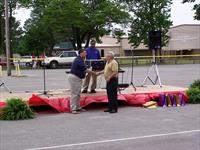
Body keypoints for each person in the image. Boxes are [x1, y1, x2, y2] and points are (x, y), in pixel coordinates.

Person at [68, 49, 96, 114]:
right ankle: (73, 109)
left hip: (77, 78)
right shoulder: (78, 60)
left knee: (78, 93)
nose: (86, 54)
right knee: (74, 94)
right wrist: (94, 73)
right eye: (85, 53)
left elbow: (84, 69)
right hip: (74, 77)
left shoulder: (81, 60)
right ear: (81, 54)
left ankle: (78, 107)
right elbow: (85, 69)